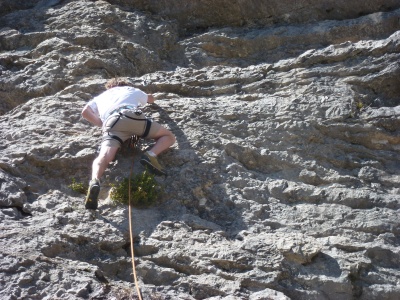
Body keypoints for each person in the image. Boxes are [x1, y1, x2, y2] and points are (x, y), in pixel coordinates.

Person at [81, 78, 176, 209]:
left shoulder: (101, 96)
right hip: (131, 115)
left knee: (104, 157)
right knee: (169, 136)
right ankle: (150, 155)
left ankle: (95, 180)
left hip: (111, 121)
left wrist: (102, 125)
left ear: (110, 88)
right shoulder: (130, 89)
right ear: (124, 85)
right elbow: (150, 99)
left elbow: (85, 111)